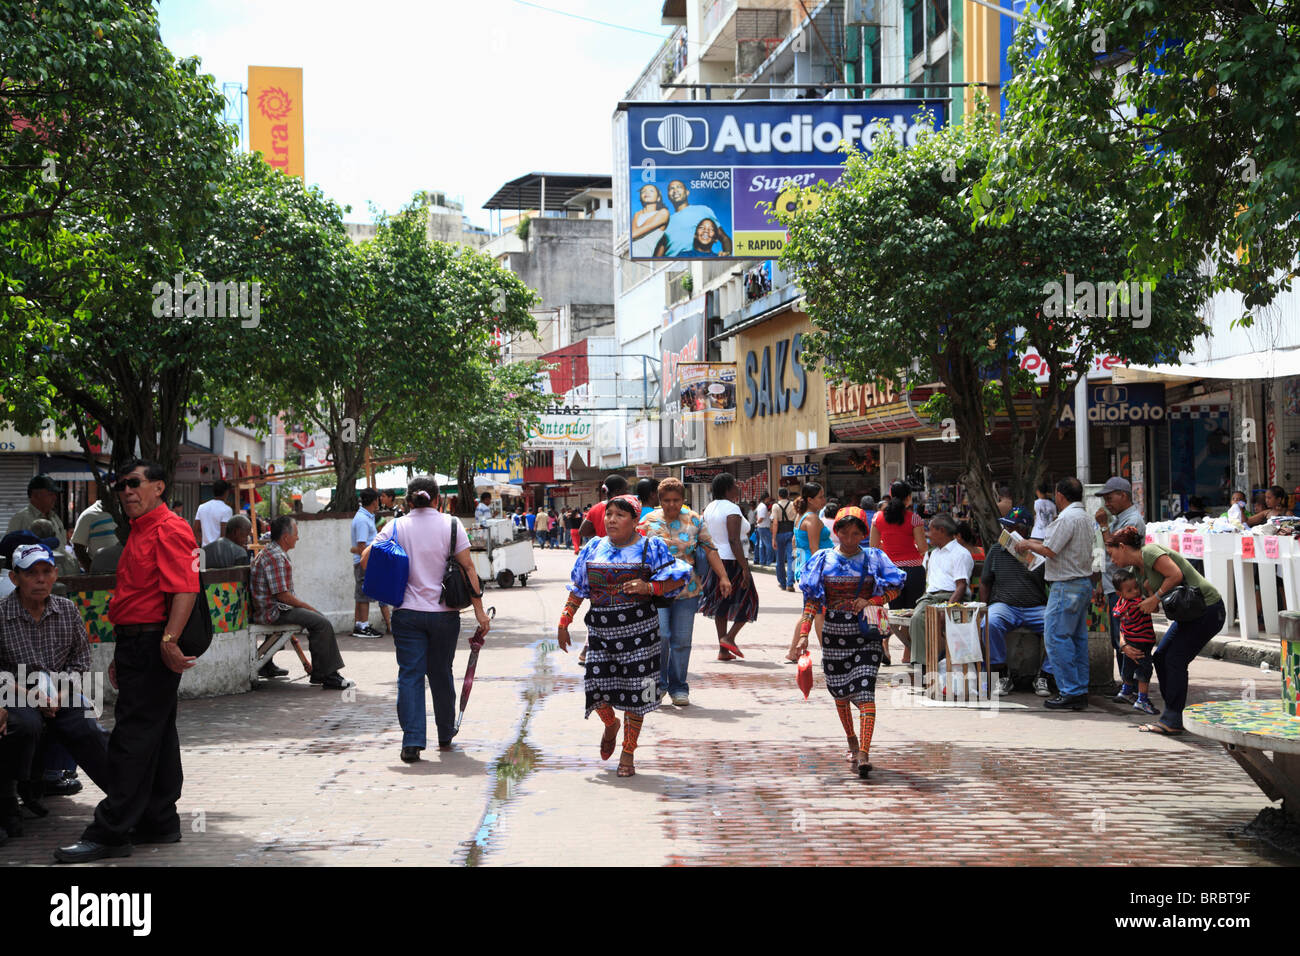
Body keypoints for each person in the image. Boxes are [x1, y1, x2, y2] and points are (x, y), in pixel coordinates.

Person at [54, 459, 199, 863]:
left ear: (159, 487)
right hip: (137, 643)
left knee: (131, 740)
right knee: (158, 735)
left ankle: (111, 831)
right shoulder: (139, 530)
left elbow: (185, 589)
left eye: (134, 483)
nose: (127, 491)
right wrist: (127, 650)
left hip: (153, 642)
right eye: (121, 486)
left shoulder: (170, 528)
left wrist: (168, 640)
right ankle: (159, 820)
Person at [557, 494, 690, 778]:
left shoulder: (649, 548)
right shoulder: (593, 548)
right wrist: (564, 620)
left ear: (634, 521)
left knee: (639, 695)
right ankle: (610, 724)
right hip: (601, 635)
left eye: (619, 515)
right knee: (596, 689)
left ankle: (628, 752)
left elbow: (679, 577)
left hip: (641, 635)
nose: (611, 520)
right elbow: (579, 587)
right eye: (609, 514)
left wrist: (649, 588)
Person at [362, 476, 490, 762]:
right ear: (437, 500)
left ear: (408, 501)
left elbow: (366, 559)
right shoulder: (452, 525)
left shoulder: (395, 525)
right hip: (444, 615)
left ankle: (412, 741)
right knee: (441, 672)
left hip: (406, 614)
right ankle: (445, 732)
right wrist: (480, 612)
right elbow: (469, 569)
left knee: (410, 674)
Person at [0, 544, 111, 845]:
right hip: (16, 690)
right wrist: (30, 695)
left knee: (88, 726)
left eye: (46, 572)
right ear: (14, 578)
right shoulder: (1, 614)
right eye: (30, 573)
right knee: (24, 726)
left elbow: (80, 660)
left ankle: (125, 799)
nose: (39, 579)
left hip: (61, 690)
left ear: (55, 575)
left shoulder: (67, 609)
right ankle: (9, 797)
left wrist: (61, 693)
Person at [793, 507, 905, 778]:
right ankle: (851, 740)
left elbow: (895, 587)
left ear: (864, 534)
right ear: (837, 531)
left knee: (866, 692)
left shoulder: (876, 557)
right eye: (845, 531)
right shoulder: (822, 560)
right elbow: (812, 601)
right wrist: (805, 633)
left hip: (866, 636)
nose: (850, 538)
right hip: (833, 635)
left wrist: (872, 600)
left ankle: (864, 752)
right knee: (840, 694)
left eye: (856, 533)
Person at [1105, 526, 1227, 733]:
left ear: (1123, 547)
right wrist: (1124, 643)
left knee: (1174, 659)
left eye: (1112, 553)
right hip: (1188, 616)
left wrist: (1155, 598)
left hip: (1208, 609)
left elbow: (1175, 575)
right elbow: (1125, 611)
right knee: (1161, 657)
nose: (1112, 560)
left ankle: (1172, 719)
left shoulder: (1150, 552)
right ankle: (1172, 715)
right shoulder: (1135, 574)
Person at [638, 477, 729, 707]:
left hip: (687, 590)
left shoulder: (695, 520)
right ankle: (658, 685)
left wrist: (724, 577)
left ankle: (679, 687)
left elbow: (710, 549)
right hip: (656, 591)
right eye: (666, 500)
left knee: (682, 640)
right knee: (662, 637)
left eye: (676, 500)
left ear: (683, 499)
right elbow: (634, 551)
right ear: (659, 500)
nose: (671, 505)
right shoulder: (647, 521)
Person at [1014, 477, 1096, 711]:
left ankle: (1070, 690)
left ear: (1060, 495)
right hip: (1080, 583)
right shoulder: (1085, 518)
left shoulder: (1068, 518)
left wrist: (1028, 545)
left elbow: (1050, 550)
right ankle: (1078, 689)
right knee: (1076, 639)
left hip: (1066, 585)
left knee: (1057, 638)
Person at [250, 516, 353, 690]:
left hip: (270, 608)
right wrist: (309, 608)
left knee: (315, 619)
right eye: (296, 534)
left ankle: (319, 672)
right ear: (285, 537)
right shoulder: (275, 556)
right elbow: (283, 596)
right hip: (273, 612)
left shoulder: (273, 552)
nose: (298, 537)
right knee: (321, 623)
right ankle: (328, 675)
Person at [980, 507, 1049, 697]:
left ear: (1024, 531)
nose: (1007, 532)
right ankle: (1001, 674)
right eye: (1006, 528)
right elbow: (985, 582)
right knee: (990, 623)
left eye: (1012, 528)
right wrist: (983, 608)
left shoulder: (1040, 553)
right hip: (1005, 606)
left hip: (1035, 607)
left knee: (1057, 625)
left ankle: (1044, 675)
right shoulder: (996, 550)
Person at [700, 473, 758, 661]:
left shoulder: (709, 507)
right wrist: (745, 568)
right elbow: (734, 540)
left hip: (715, 558)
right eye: (735, 484)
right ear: (727, 488)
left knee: (722, 604)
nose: (738, 488)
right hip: (731, 559)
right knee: (750, 600)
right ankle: (729, 637)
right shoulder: (731, 508)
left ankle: (723, 650)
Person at [1095, 476, 1145, 689]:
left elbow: (1115, 552)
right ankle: (1127, 684)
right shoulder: (1120, 518)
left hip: (1125, 588)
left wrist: (1104, 526)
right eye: (1105, 499)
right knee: (1119, 639)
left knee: (1125, 638)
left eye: (1110, 497)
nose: (1107, 503)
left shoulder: (1132, 520)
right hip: (1113, 585)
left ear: (1123, 495)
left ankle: (1130, 685)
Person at [870, 481, 927, 664]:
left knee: (893, 613)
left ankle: (885, 645)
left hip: (889, 572)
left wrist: (887, 547)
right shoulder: (914, 518)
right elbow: (923, 547)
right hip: (913, 571)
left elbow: (873, 547)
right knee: (910, 613)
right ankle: (907, 653)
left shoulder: (877, 518)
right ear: (908, 498)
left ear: (890, 493)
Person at [907, 515, 973, 667]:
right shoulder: (933, 554)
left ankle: (924, 665)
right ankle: (927, 662)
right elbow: (930, 584)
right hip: (931, 598)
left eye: (930, 530)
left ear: (941, 531)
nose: (927, 534)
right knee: (917, 617)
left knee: (919, 618)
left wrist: (948, 608)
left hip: (952, 597)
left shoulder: (960, 553)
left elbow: (961, 586)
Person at [786, 482, 830, 662]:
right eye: (820, 496)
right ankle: (827, 655)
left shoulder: (802, 516)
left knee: (808, 612)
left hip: (808, 569)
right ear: (810, 499)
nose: (824, 500)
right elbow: (815, 549)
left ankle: (792, 651)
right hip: (815, 571)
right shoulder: (812, 519)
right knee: (818, 613)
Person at [1110, 568, 1158, 714]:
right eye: (1130, 590)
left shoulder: (1121, 602)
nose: (1136, 592)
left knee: (1128, 667)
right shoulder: (1137, 603)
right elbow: (1154, 608)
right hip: (1141, 642)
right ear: (1120, 593)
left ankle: (1126, 691)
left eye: (1136, 587)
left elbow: (1116, 613)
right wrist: (1150, 591)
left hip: (1129, 641)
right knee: (1144, 671)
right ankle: (1142, 700)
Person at [652, 180, 733, 257]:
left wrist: (727, 253)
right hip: (671, 267)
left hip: (694, 264)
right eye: (671, 188)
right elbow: (658, 254)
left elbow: (724, 238)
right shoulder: (666, 221)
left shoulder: (703, 210)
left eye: (679, 187)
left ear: (687, 192)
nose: (675, 190)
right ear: (668, 196)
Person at [350, 489, 384, 638]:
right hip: (365, 562)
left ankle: (359, 624)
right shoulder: (363, 519)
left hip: (365, 561)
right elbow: (362, 547)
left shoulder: (366, 517)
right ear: (374, 501)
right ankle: (363, 625)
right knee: (364, 595)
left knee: (361, 594)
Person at [7, 476, 66, 545]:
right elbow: (8, 547)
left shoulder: (55, 518)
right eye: (50, 494)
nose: (55, 498)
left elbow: (62, 547)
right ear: (36, 495)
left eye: (55, 494)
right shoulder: (21, 518)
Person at [71, 496, 119, 572]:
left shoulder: (128, 513)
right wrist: (92, 569)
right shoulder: (88, 515)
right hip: (102, 575)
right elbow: (78, 547)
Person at [579, 475, 630, 544]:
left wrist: (600, 534)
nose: (628, 492)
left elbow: (583, 531)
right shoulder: (626, 508)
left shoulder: (595, 508)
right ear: (617, 491)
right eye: (626, 489)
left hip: (602, 550)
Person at [631, 183, 670, 258]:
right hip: (631, 256)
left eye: (651, 191)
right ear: (640, 197)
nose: (646, 192)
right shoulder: (637, 214)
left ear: (658, 198)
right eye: (643, 191)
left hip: (643, 257)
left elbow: (633, 234)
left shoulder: (663, 213)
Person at [772, 487, 799, 592]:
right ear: (788, 495)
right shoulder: (793, 505)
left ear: (778, 495)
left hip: (779, 534)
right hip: (791, 532)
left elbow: (775, 523)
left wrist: (773, 538)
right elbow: (797, 521)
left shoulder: (775, 506)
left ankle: (782, 583)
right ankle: (790, 583)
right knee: (791, 558)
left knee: (780, 559)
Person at [192, 480, 232, 547]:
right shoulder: (227, 509)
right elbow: (224, 535)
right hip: (219, 550)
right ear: (226, 492)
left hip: (204, 549)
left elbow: (195, 530)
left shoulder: (201, 507)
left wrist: (204, 542)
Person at [754, 493, 774, 567]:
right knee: (769, 545)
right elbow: (761, 518)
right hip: (764, 528)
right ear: (765, 498)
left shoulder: (760, 506)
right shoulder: (763, 507)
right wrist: (757, 523)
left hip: (761, 527)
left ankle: (762, 561)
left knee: (762, 545)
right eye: (768, 498)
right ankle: (769, 561)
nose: (769, 500)